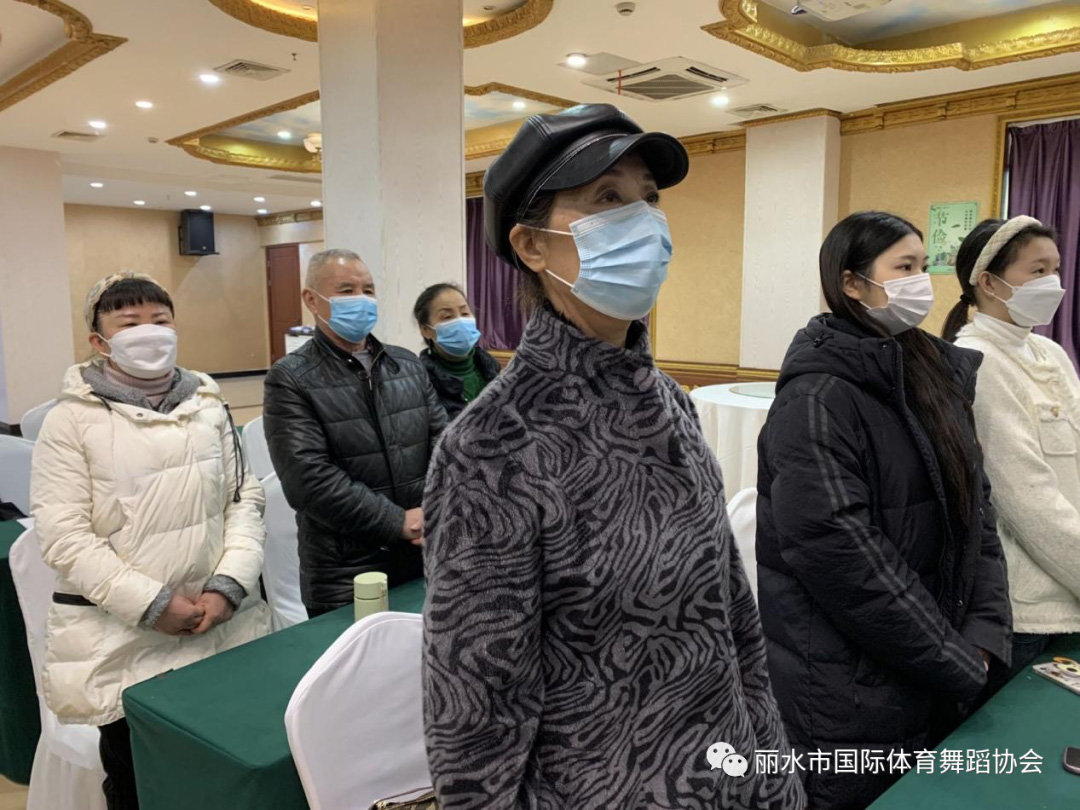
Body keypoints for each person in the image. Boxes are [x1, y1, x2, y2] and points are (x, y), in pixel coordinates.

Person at [422, 104, 805, 810]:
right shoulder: (490, 448)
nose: (645, 222)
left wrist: (776, 775)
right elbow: (474, 714)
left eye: (649, 198)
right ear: (531, 246)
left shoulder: (671, 404)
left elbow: (733, 619)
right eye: (607, 198)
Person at [756, 211, 1012, 810]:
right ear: (851, 283)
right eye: (903, 267)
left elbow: (979, 517)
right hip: (849, 695)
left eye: (923, 266)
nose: (921, 281)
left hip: (936, 676)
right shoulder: (816, 399)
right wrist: (956, 660)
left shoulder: (933, 375)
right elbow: (840, 554)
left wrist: (981, 637)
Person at [31, 272, 270, 810]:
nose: (149, 331)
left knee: (224, 774)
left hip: (222, 627)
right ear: (99, 341)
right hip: (124, 642)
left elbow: (243, 499)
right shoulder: (70, 421)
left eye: (160, 320)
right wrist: (153, 605)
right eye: (129, 322)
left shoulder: (207, 403)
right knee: (141, 783)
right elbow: (65, 537)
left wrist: (228, 585)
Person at [263, 249, 447, 617]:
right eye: (347, 291)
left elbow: (446, 447)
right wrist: (398, 522)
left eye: (368, 290)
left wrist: (439, 509)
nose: (361, 300)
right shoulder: (291, 378)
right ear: (312, 300)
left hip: (425, 554)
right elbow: (308, 480)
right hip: (346, 574)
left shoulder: (407, 365)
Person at [943, 216, 1080, 689]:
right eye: (1037, 271)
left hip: (1071, 587)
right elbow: (1027, 500)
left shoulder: (1048, 352)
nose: (1053, 283)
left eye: (1055, 269)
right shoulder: (977, 361)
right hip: (1028, 612)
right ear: (988, 283)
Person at [413, 283, 501, 419]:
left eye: (465, 313)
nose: (460, 321)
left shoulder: (493, 369)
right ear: (426, 330)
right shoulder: (420, 381)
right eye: (447, 317)